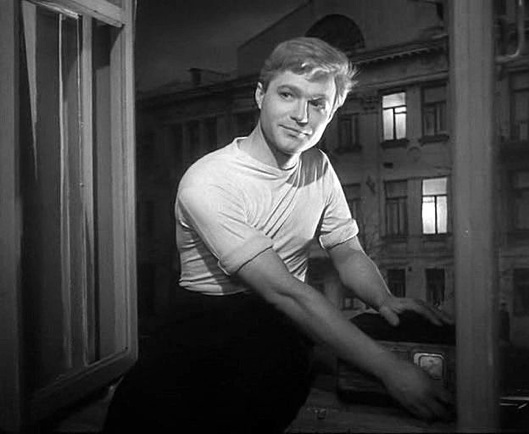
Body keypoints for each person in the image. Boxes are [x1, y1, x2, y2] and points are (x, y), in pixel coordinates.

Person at [103, 36, 454, 434]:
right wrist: (390, 370)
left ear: (332, 113)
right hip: (204, 330)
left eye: (317, 103)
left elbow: (346, 250)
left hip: (279, 329)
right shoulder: (208, 180)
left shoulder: (318, 167)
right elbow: (285, 292)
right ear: (260, 95)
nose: (301, 115)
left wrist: (384, 299)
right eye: (288, 94)